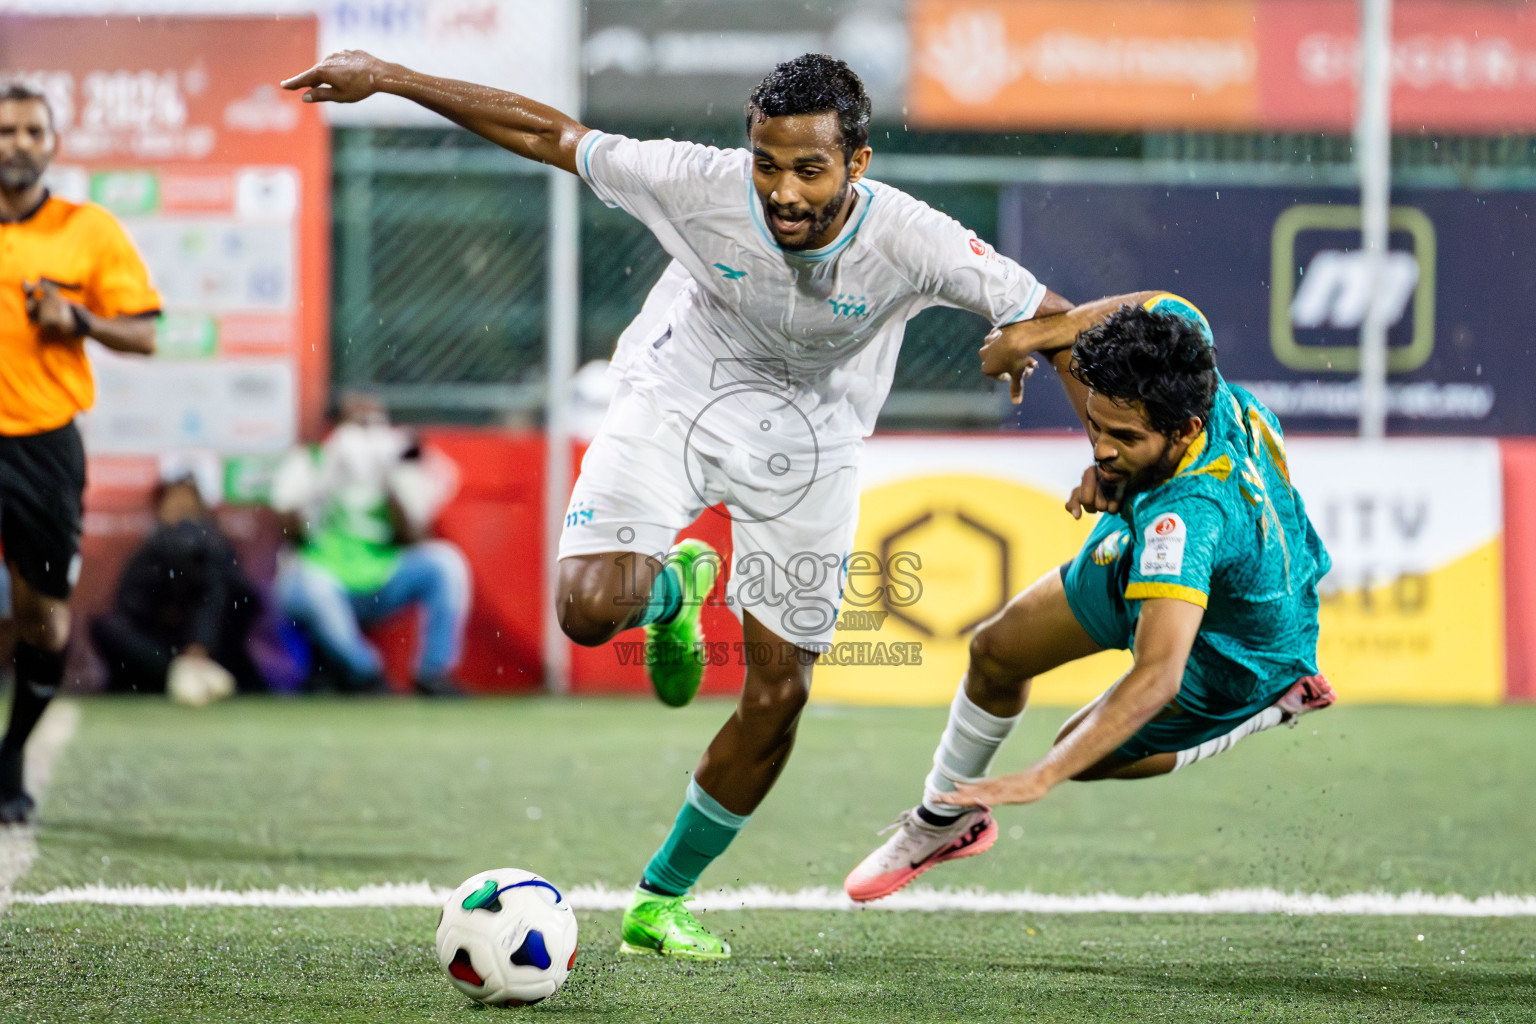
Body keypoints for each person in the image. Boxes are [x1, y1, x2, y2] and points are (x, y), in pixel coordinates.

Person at [281, 51, 1070, 958]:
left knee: (779, 692)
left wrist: (1046, 364)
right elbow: (551, 134)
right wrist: (389, 78)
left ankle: (662, 899)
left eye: (809, 168)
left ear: (857, 165)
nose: (781, 190)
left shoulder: (915, 236)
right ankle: (674, 595)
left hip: (813, 444)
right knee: (586, 610)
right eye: (766, 163)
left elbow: (1061, 318)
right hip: (678, 397)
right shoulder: (697, 184)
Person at [843, 294, 1337, 902]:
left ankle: (1278, 703)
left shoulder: (1188, 518)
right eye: (1096, 427)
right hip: (1153, 530)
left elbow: (1158, 673)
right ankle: (943, 822)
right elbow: (1167, 302)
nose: (1100, 447)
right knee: (996, 652)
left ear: (1183, 429)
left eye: (1121, 436)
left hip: (1242, 649)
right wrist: (1030, 339)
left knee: (1084, 751)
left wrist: (1041, 778)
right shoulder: (1188, 366)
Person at [0, 82, 160, 825]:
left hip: (41, 446)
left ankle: (11, 761)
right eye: (5, 130)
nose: (18, 142)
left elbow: (146, 333)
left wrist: (79, 320)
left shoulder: (86, 230)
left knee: (45, 622)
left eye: (33, 130)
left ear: (53, 144)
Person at [269, 391, 469, 698]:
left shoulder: (396, 468)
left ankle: (433, 674)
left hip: (379, 577)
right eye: (358, 425)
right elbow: (289, 531)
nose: (367, 435)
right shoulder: (310, 461)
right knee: (312, 584)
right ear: (334, 428)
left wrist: (388, 478)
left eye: (375, 425)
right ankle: (366, 674)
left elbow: (414, 536)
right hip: (321, 577)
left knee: (445, 563)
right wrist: (327, 478)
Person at [89, 473, 265, 699]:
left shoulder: (218, 549)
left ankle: (195, 675)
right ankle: (178, 676)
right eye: (175, 502)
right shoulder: (149, 551)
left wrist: (199, 643)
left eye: (188, 504)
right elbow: (128, 607)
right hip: (161, 651)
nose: (182, 510)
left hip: (212, 650)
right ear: (161, 509)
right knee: (108, 628)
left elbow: (226, 598)